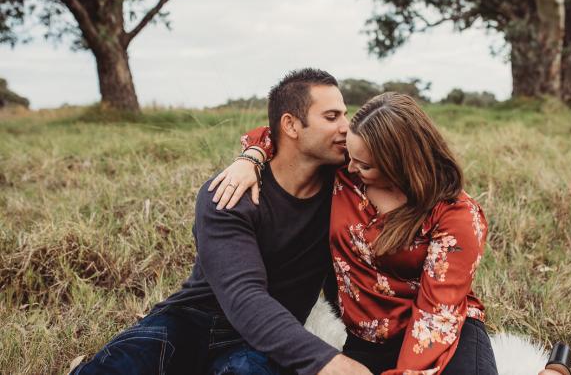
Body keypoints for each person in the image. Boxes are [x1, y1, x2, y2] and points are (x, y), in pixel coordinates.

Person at [72, 68, 372, 375]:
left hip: (267, 338)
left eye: (345, 115)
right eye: (332, 117)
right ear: (291, 125)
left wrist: (253, 151)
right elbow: (244, 295)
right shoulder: (229, 193)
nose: (345, 127)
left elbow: (398, 151)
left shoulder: (346, 188)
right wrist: (326, 361)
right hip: (192, 319)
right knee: (120, 365)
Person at [212, 92, 499, 374]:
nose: (350, 166)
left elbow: (436, 315)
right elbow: (288, 136)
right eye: (350, 155)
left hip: (443, 335)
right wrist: (251, 157)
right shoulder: (347, 176)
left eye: (365, 165)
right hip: (368, 339)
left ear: (400, 163)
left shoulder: (455, 214)